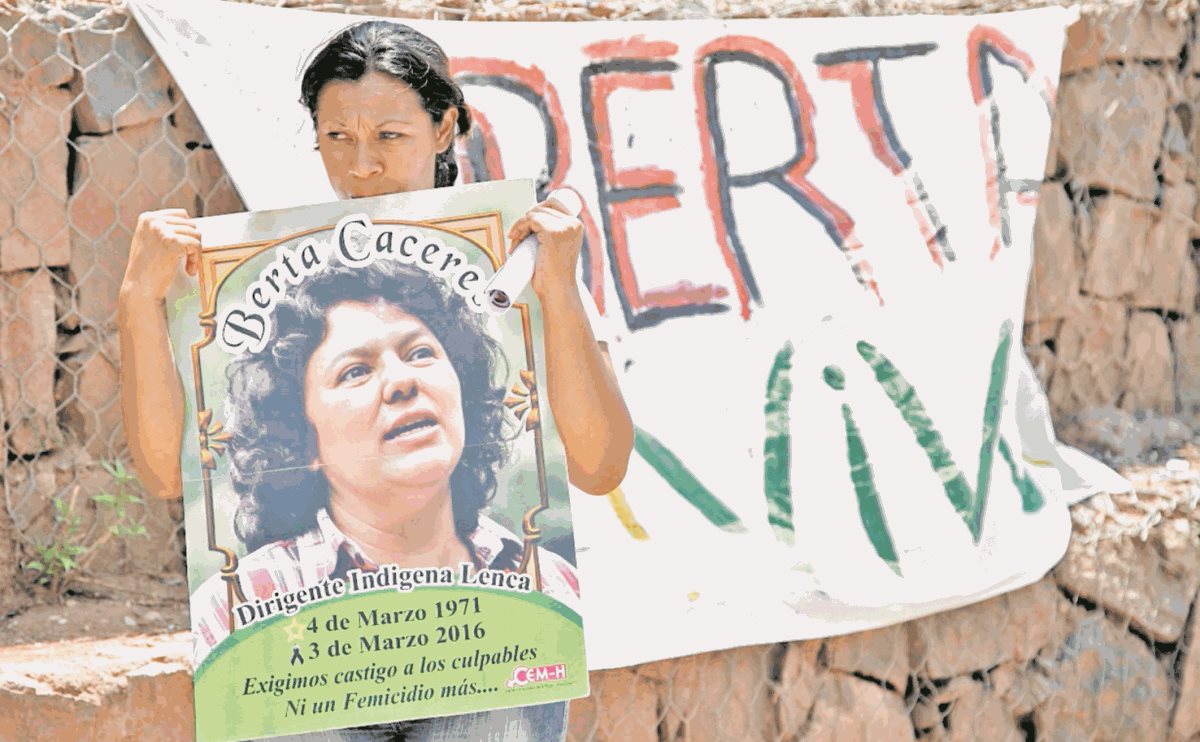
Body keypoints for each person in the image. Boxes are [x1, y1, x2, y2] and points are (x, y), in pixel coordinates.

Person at [117, 19, 633, 742]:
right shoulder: (266, 257)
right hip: (308, 675)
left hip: (487, 661)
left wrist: (560, 293)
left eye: (389, 136)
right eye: (337, 138)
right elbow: (168, 476)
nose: (361, 166)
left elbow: (601, 465)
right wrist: (138, 305)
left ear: (444, 123)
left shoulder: (518, 256)